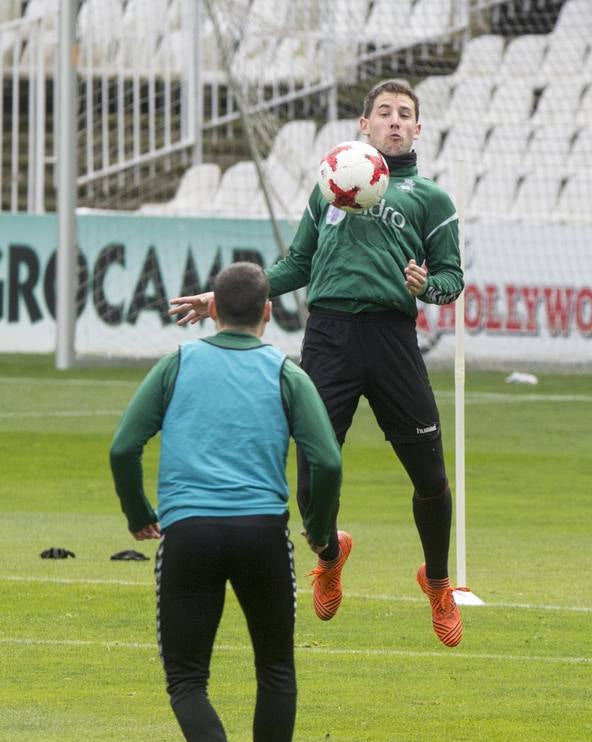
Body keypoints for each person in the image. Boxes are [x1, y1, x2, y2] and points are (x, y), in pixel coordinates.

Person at [170, 79, 464, 648]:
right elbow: (296, 263)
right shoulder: (331, 181)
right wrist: (227, 297)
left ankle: (438, 580)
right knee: (311, 468)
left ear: (419, 128)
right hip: (327, 337)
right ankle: (330, 554)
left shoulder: (432, 198)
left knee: (429, 474)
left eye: (405, 114)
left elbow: (453, 278)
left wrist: (427, 285)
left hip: (392, 338)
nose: (394, 122)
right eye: (384, 113)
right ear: (364, 124)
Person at [110, 261, 342, 742]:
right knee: (276, 670)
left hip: (187, 533)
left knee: (188, 680)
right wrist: (320, 533)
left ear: (213, 308)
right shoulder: (285, 372)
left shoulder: (178, 364)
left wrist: (139, 512)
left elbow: (123, 446)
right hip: (263, 535)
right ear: (270, 312)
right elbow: (329, 461)